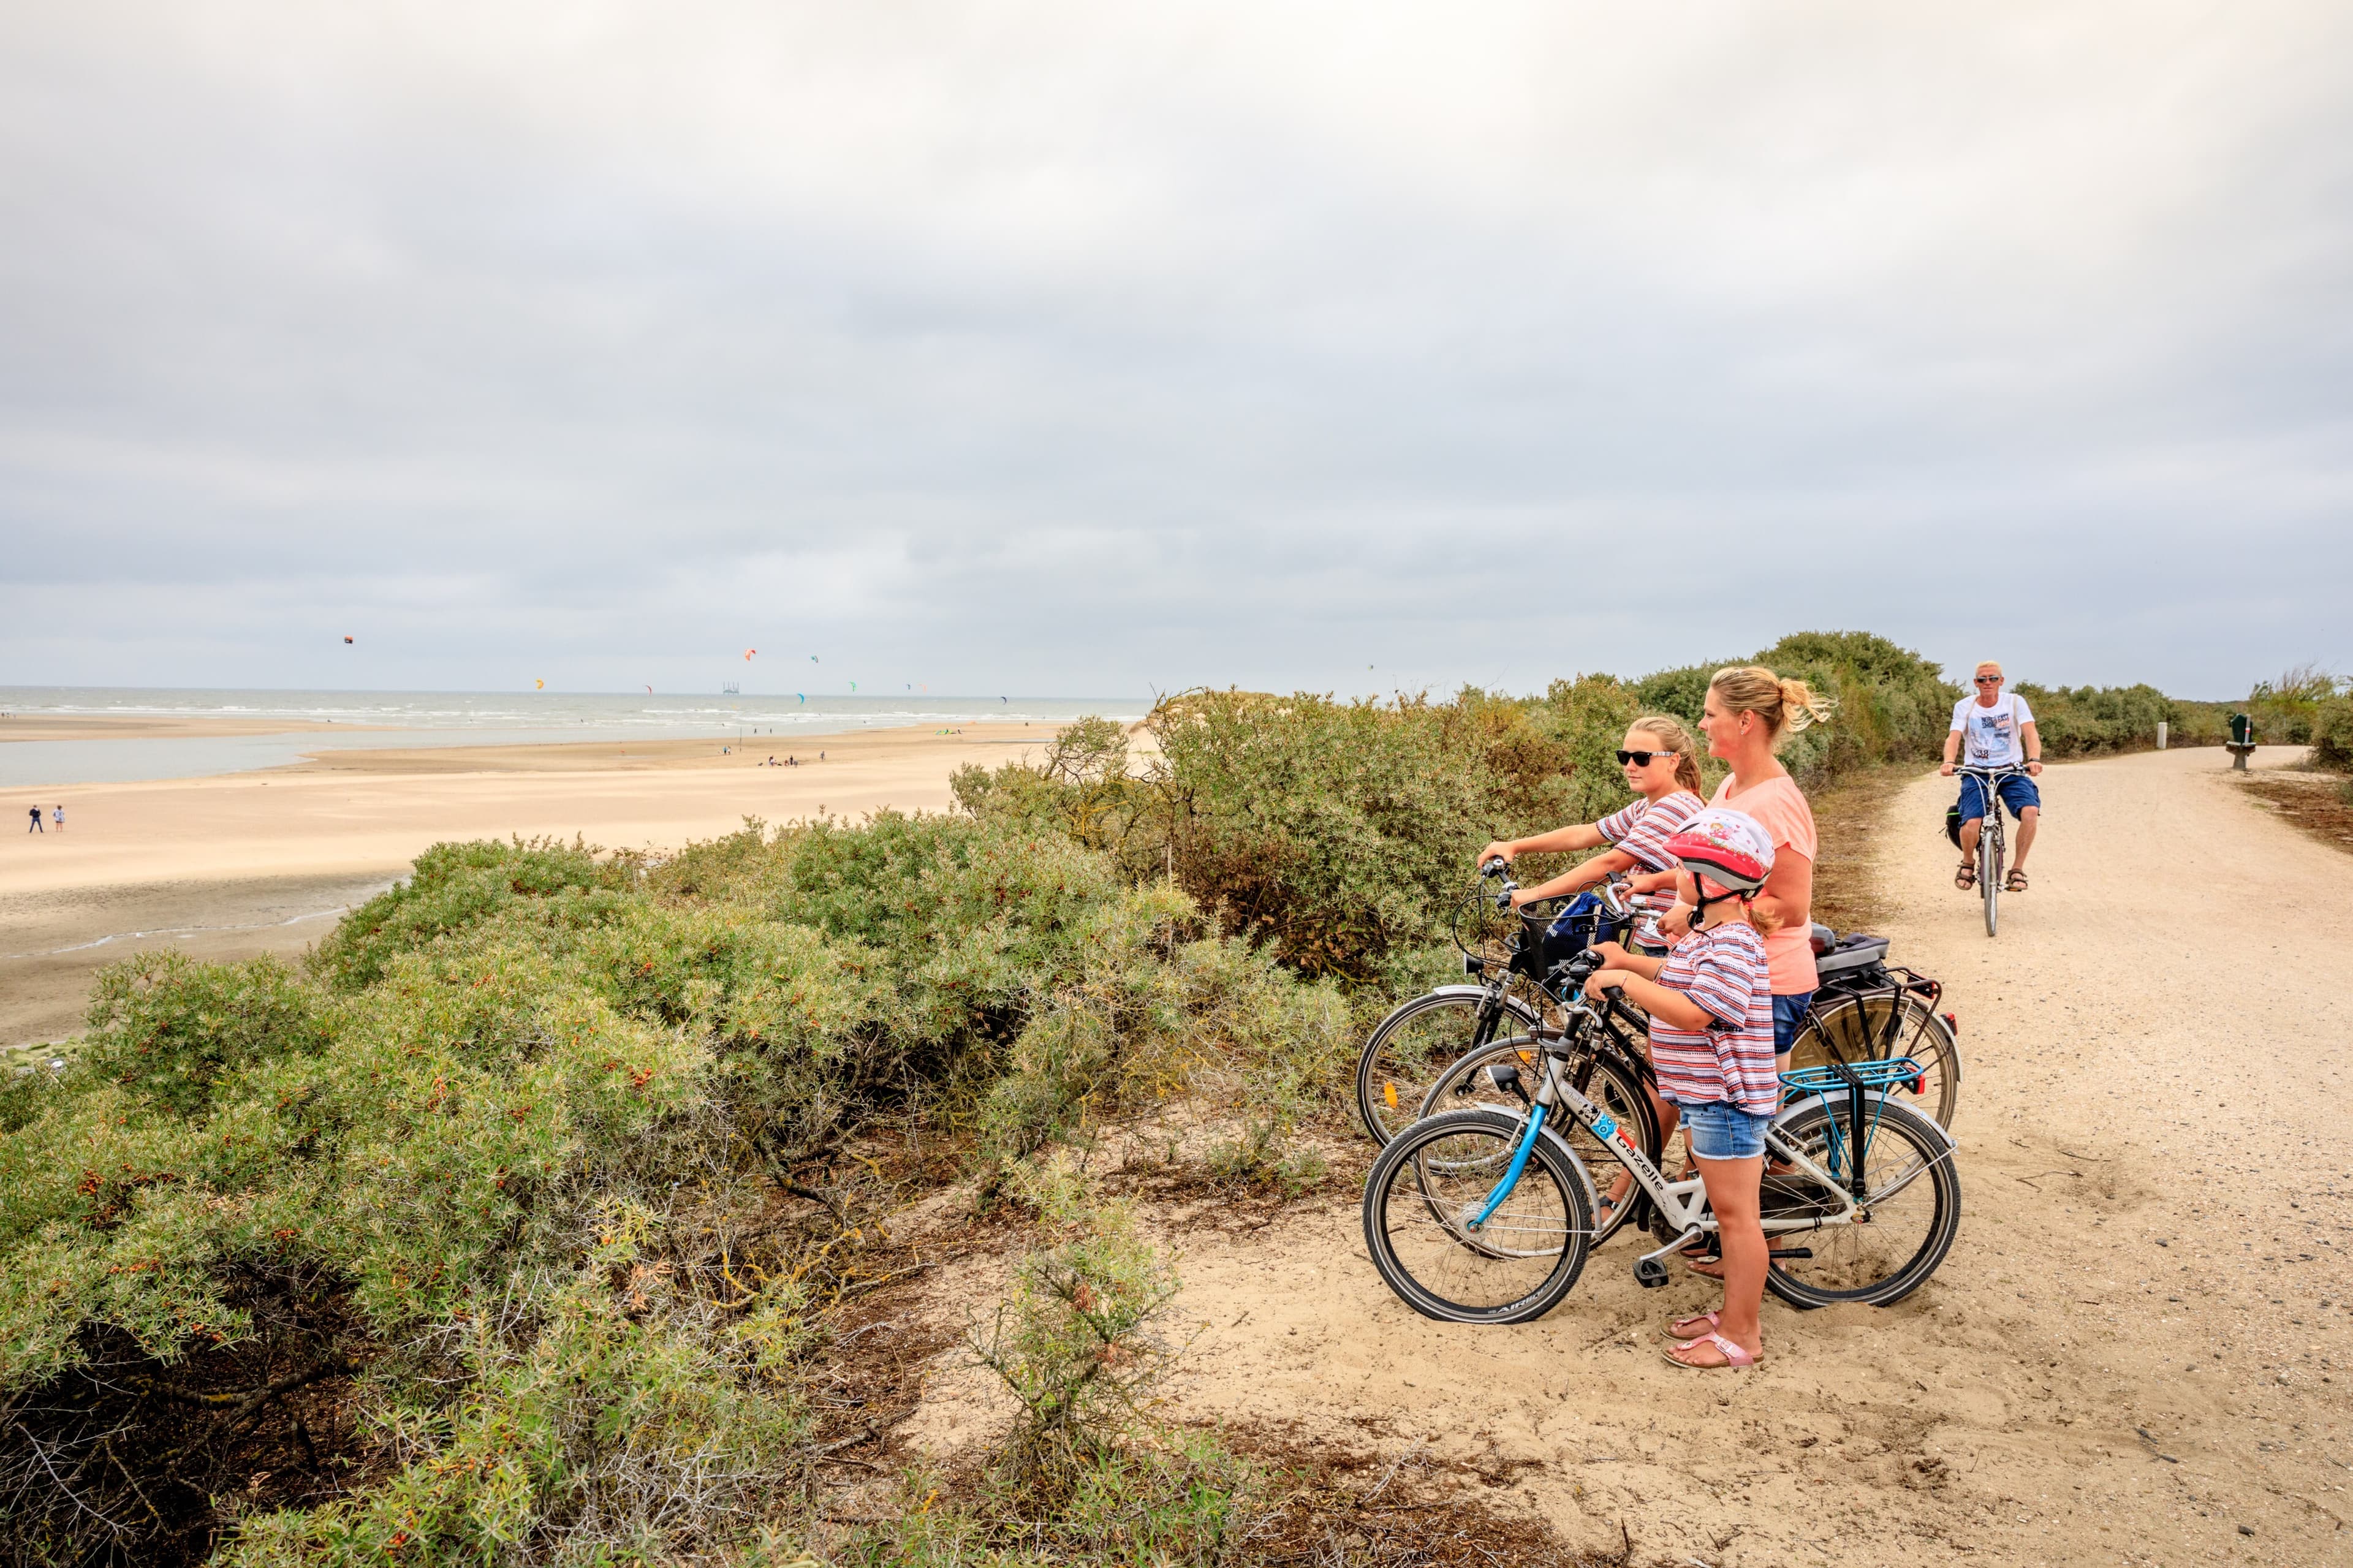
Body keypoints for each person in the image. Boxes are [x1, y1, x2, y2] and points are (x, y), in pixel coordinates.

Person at [1583, 807, 1780, 1370]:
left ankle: (1743, 1335)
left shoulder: (1735, 941)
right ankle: (1732, 1313)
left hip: (1726, 1098)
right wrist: (1630, 962)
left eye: (1683, 868)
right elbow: (1676, 979)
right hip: (1703, 1093)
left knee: (1737, 1216)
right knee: (1727, 1212)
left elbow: (1697, 1012)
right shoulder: (1706, 931)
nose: (1675, 875)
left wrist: (1625, 980)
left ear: (1712, 882)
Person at [1476, 714, 1709, 945]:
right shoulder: (1646, 806)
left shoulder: (1674, 807)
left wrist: (1535, 896)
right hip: (1654, 942)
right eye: (1624, 757)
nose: (1630, 767)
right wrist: (1515, 845)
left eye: (1641, 758)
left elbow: (1610, 864)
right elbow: (1583, 834)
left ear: (1673, 761)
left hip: (1669, 948)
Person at [1941, 660, 2042, 893]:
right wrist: (1949, 762)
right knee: (1973, 822)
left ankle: (2017, 869)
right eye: (1982, 679)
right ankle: (1968, 863)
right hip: (1976, 771)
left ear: (2001, 681)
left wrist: (2034, 760)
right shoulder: (1965, 706)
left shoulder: (2015, 702)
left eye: (1993, 679)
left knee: (2030, 811)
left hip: (2011, 770)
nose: (1988, 683)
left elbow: (2030, 733)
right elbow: (1954, 737)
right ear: (1976, 683)